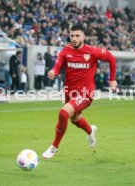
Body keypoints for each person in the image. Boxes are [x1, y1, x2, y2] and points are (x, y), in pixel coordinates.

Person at [42, 25, 117, 159]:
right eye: (72, 36)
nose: (74, 38)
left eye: (77, 36)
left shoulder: (92, 52)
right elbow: (57, 66)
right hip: (69, 93)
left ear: (83, 36)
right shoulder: (65, 51)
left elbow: (111, 58)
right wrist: (53, 72)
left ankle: (54, 147)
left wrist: (112, 80)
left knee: (63, 113)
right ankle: (90, 131)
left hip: (85, 93)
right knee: (75, 119)